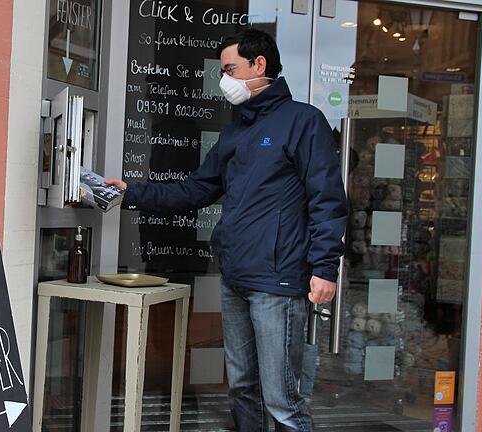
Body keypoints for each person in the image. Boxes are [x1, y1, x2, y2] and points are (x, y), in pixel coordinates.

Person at [107, 29, 347, 431]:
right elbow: (196, 189)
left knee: (283, 401)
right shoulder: (235, 132)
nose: (225, 80)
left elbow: (327, 199)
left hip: (279, 282)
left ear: (259, 65)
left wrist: (325, 268)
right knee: (242, 390)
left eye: (230, 69)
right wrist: (132, 193)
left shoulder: (304, 122)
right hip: (235, 277)